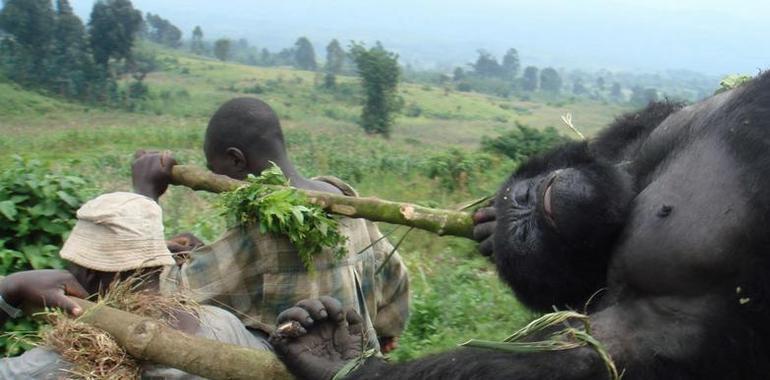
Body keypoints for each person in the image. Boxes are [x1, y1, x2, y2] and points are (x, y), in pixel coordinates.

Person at [132, 97, 410, 352]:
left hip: (297, 370)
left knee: (200, 326)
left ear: (236, 160)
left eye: (216, 169)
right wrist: (383, 335)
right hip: (359, 364)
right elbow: (396, 276)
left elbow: (160, 294)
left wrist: (145, 194)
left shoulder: (265, 231)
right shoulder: (344, 201)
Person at [0, 192, 269, 379]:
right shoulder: (222, 323)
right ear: (160, 263)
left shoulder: (66, 361)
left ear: (88, 275)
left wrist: (10, 289)